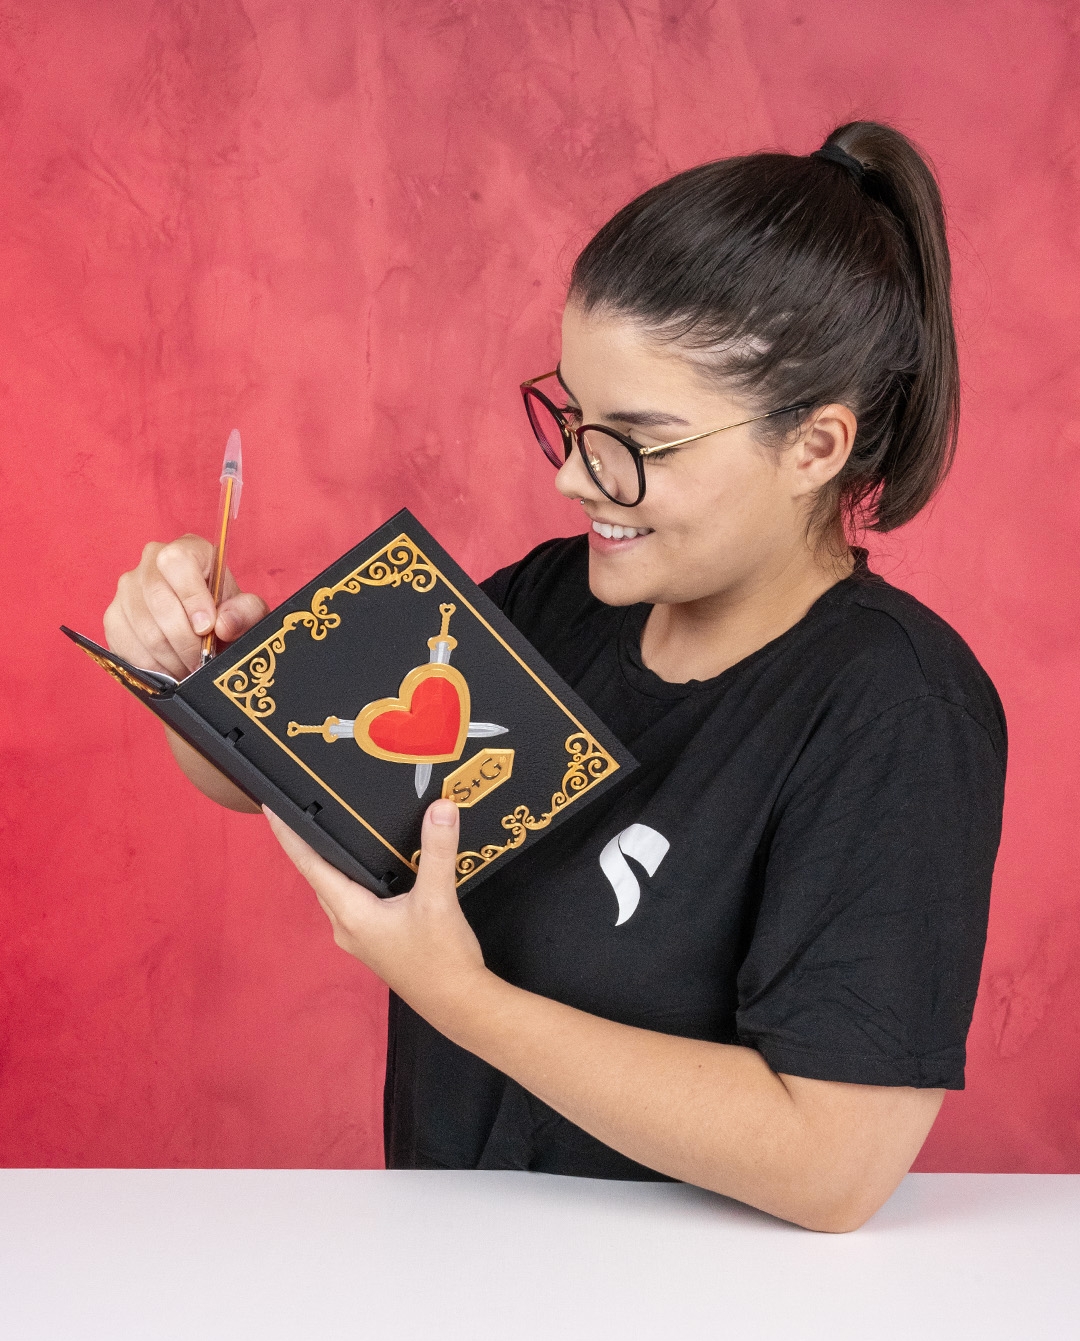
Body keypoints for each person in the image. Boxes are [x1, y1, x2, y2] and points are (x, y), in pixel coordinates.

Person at [104, 121, 1006, 1232]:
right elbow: (265, 775)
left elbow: (833, 1166)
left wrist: (460, 998)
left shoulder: (897, 710)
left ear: (814, 448)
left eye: (636, 440)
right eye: (574, 416)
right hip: (458, 1267)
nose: (577, 475)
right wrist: (190, 671)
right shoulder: (556, 601)